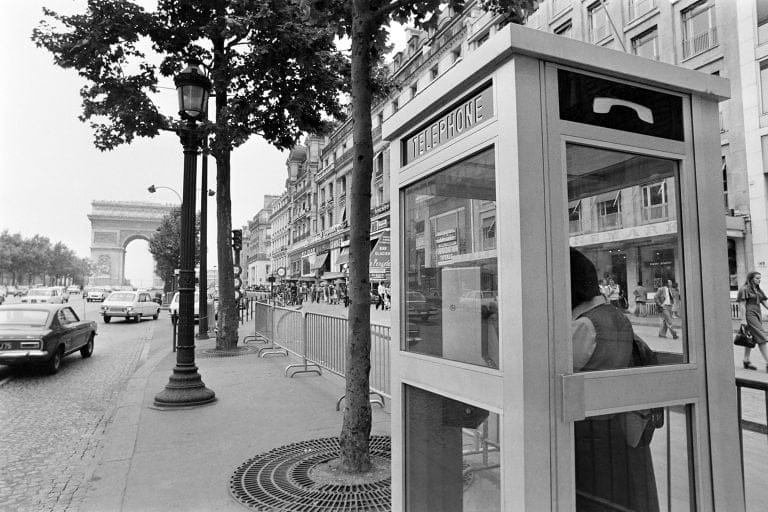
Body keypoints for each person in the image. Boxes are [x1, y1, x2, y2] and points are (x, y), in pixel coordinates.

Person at [570, 248, 659, 512]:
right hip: (616, 427)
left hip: (589, 431)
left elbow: (556, 376)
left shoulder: (583, 325)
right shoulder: (616, 316)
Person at [737, 271, 768, 371]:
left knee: (750, 337)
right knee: (762, 337)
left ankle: (746, 360)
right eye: (757, 278)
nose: (759, 280)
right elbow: (742, 305)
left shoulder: (758, 290)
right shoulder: (745, 289)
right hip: (749, 315)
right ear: (751, 279)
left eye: (760, 278)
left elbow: (764, 302)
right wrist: (743, 320)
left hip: (757, 314)